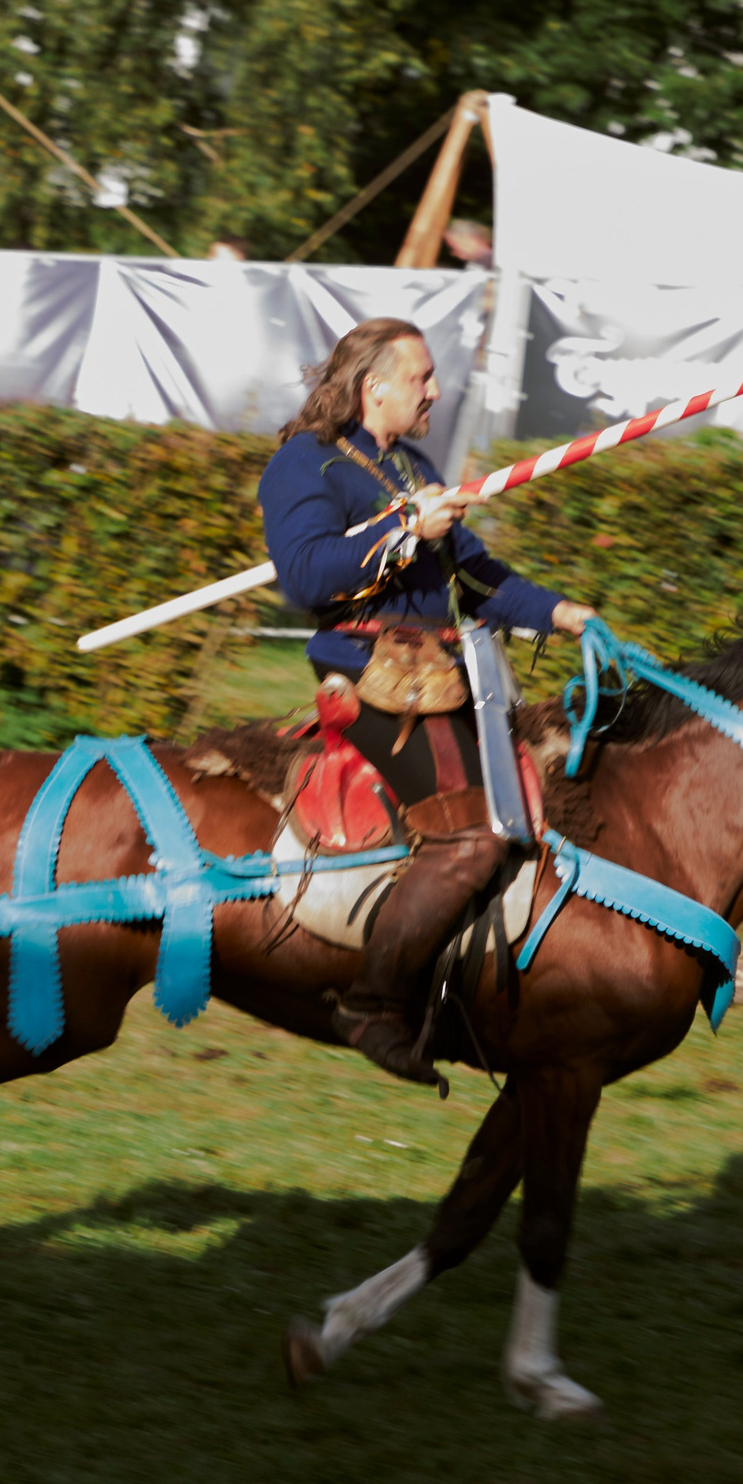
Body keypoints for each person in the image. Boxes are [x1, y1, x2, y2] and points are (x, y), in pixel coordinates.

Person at [257, 318, 593, 1083]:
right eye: (422, 378)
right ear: (375, 386)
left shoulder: (411, 464)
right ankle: (373, 1003)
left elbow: (474, 577)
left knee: (533, 811)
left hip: (447, 680)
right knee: (474, 836)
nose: (435, 390)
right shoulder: (302, 464)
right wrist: (407, 531)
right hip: (370, 678)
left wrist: (565, 613)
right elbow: (307, 577)